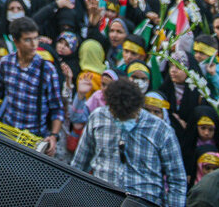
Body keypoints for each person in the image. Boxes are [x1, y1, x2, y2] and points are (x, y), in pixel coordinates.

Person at [72, 77, 187, 207]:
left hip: (144, 201)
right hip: (102, 199)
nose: (123, 122)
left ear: (139, 108)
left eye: (129, 117)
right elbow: (79, 165)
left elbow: (177, 180)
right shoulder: (97, 118)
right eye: (118, 117)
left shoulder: (161, 130)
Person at [0, 16, 64, 151]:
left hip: (34, 138)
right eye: (28, 40)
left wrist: (54, 135)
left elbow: (57, 108)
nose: (34, 44)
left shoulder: (47, 69)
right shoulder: (6, 63)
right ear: (16, 42)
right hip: (7, 132)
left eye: (35, 38)